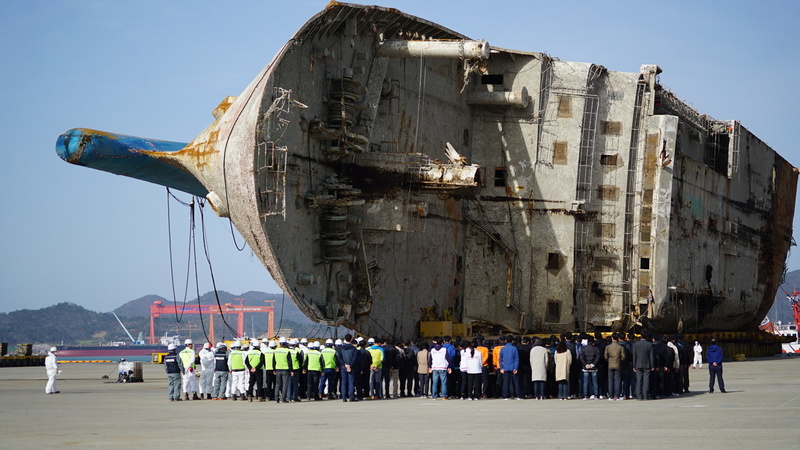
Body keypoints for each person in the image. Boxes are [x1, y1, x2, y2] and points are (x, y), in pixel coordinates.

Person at [337, 334, 359, 402]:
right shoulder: (354, 349)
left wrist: (344, 364)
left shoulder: (341, 349)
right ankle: (351, 397)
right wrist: (350, 365)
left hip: (343, 367)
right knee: (351, 382)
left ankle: (344, 397)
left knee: (343, 382)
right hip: (351, 367)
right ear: (351, 339)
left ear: (344, 339)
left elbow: (339, 358)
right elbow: (355, 358)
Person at [632, 333, 654, 400]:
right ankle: (645, 395)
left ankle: (639, 395)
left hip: (638, 364)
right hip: (647, 364)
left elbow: (634, 356)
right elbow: (651, 356)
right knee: (646, 380)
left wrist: (634, 365)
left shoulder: (636, 344)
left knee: (639, 381)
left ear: (641, 336)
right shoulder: (649, 344)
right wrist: (652, 365)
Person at [604, 333, 625, 401]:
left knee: (610, 381)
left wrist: (609, 360)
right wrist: (619, 360)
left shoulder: (608, 347)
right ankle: (617, 395)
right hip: (618, 364)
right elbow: (623, 357)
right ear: (618, 338)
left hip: (610, 364)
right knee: (617, 380)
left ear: (612, 338)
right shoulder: (620, 347)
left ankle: (611, 395)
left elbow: (605, 356)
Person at [499, 335, 521, 400]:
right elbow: (516, 359)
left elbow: (500, 359)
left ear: (505, 341)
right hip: (513, 366)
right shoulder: (514, 348)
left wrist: (501, 367)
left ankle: (505, 395)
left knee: (506, 382)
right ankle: (518, 395)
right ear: (512, 341)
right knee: (516, 382)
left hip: (505, 366)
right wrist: (516, 368)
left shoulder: (503, 349)